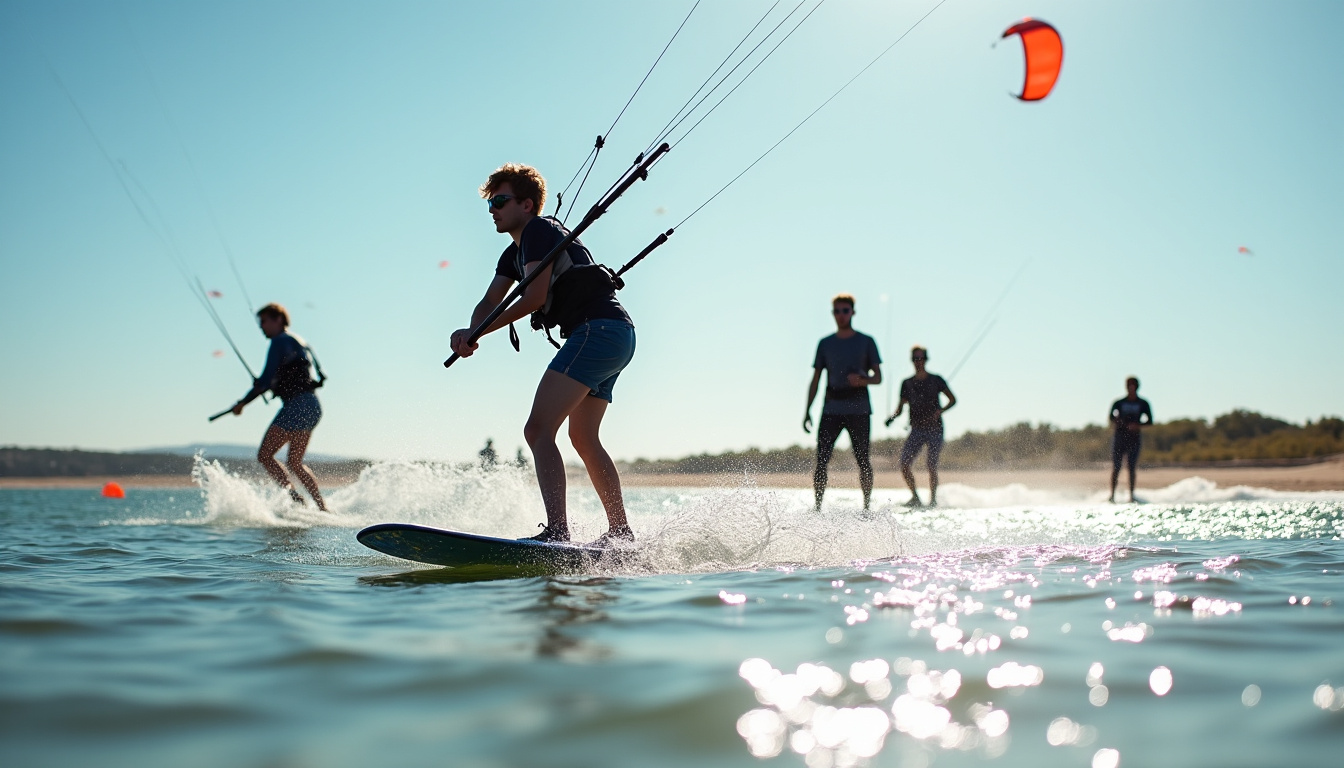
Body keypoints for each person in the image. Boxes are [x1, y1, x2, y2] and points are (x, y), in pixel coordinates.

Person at [450, 163, 636, 546]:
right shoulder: (512, 254)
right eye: (490, 203)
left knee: (537, 430)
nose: (492, 210)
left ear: (528, 204)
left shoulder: (538, 230)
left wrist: (478, 331)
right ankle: (621, 534)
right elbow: (490, 300)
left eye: (500, 201)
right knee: (583, 437)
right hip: (616, 335)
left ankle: (557, 533)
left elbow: (534, 298)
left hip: (596, 330)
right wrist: (471, 333)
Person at [229, 303, 328, 511]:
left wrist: (242, 403)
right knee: (294, 463)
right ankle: (322, 508)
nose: (261, 327)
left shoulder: (278, 342)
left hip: (297, 405)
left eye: (264, 321)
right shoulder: (298, 341)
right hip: (312, 406)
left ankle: (297, 501)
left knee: (265, 455)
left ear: (279, 320)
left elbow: (265, 381)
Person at [803, 294, 882, 511]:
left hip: (859, 408)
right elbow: (816, 379)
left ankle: (866, 507)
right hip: (831, 408)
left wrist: (862, 380)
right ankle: (817, 508)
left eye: (845, 310)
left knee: (863, 459)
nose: (841, 315)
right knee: (821, 460)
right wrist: (807, 410)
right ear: (833, 314)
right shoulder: (825, 344)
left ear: (853, 312)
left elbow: (878, 378)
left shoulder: (866, 341)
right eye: (837, 311)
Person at [886, 345, 955, 507]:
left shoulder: (936, 380)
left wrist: (941, 411)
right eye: (915, 358)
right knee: (904, 464)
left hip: (935, 428)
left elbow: (952, 400)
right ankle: (915, 497)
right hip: (916, 429)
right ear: (912, 361)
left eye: (921, 358)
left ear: (926, 359)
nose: (918, 361)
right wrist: (892, 418)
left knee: (931, 465)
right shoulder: (907, 383)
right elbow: (900, 408)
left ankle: (933, 500)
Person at [1109, 376, 1153, 503]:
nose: (1131, 388)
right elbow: (1111, 417)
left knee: (1131, 467)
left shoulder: (1143, 403)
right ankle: (1112, 496)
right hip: (1120, 438)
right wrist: (1118, 421)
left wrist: (1137, 426)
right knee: (1116, 467)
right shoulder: (1119, 403)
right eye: (1129, 385)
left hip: (1134, 438)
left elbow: (1150, 421)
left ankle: (1131, 496)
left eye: (1133, 385)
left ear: (1137, 387)